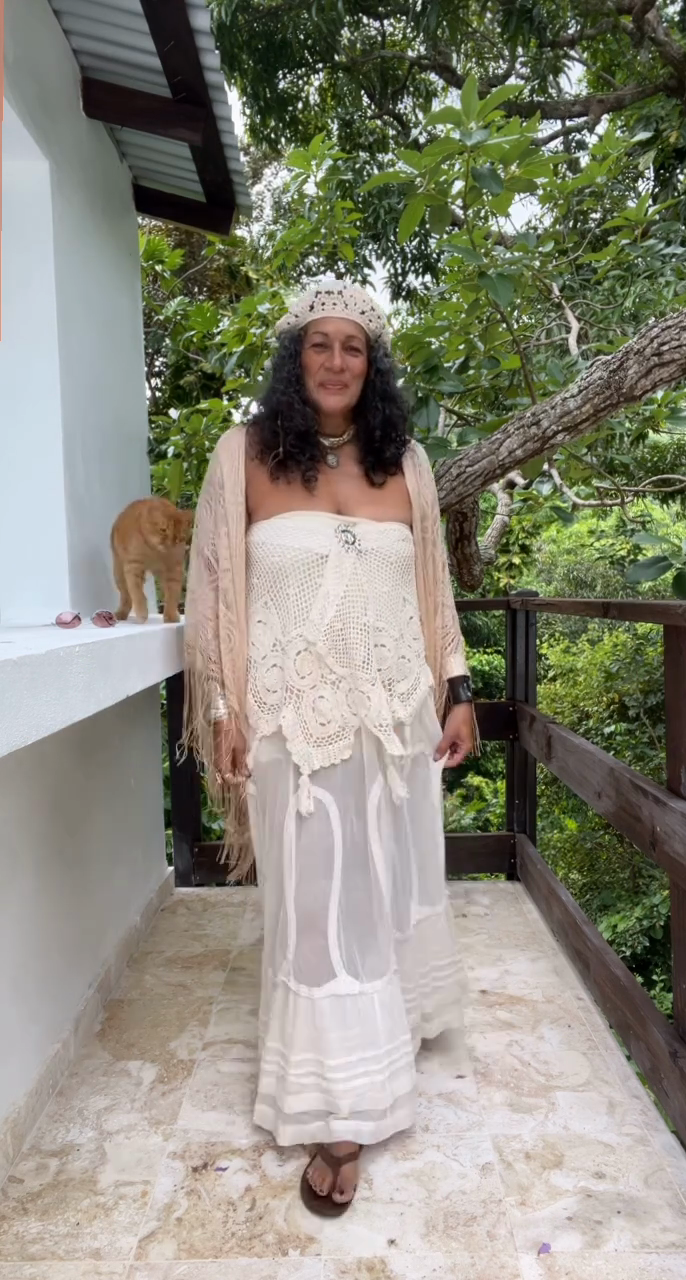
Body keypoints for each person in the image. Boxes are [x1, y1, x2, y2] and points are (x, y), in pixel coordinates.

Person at [183, 279, 477, 1216]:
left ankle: (389, 1032)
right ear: (295, 357)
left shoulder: (409, 465)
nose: (338, 361)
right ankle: (335, 1107)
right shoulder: (245, 456)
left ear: (372, 364)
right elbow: (214, 591)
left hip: (394, 720)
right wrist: (225, 708)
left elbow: (434, 591)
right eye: (321, 345)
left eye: (354, 347)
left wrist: (458, 690)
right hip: (288, 726)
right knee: (314, 905)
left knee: (384, 884)